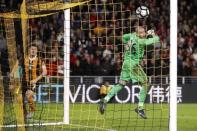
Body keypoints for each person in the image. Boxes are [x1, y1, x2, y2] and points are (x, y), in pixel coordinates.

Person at [99, 26, 160, 119]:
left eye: (144, 32)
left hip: (126, 64)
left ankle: (105, 99)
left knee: (121, 84)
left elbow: (123, 37)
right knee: (146, 84)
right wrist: (152, 34)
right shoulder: (141, 41)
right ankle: (140, 107)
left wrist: (144, 35)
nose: (144, 34)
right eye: (142, 33)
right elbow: (155, 40)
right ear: (138, 34)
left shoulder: (131, 36)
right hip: (133, 65)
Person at [10, 44, 47, 119]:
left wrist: (36, 80)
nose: (33, 50)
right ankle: (24, 113)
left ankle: (32, 110)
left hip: (33, 82)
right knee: (19, 98)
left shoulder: (40, 60)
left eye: (35, 49)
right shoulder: (24, 58)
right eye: (32, 49)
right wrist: (12, 73)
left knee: (28, 95)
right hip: (23, 81)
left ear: (37, 51)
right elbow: (16, 65)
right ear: (29, 50)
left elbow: (45, 72)